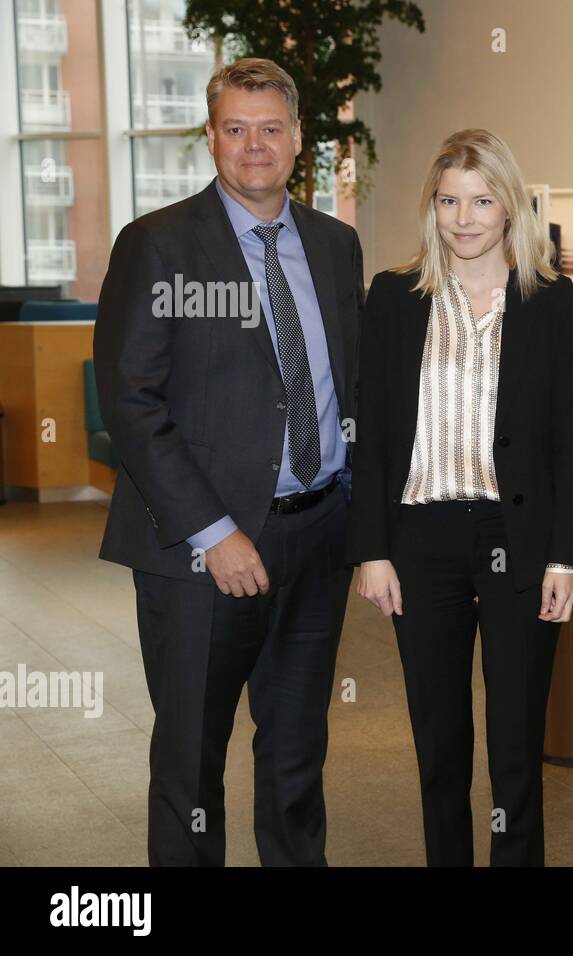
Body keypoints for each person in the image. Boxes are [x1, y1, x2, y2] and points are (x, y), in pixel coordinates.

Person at [94, 58, 364, 866]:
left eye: (271, 128)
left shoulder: (336, 245)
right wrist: (214, 532)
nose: (255, 146)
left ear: (297, 138)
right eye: (237, 129)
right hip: (199, 554)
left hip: (316, 541)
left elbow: (350, 386)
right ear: (211, 137)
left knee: (295, 757)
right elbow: (133, 405)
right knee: (190, 764)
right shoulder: (157, 244)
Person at [346, 128, 573, 867]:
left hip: (517, 539)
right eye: (449, 200)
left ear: (510, 206)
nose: (465, 217)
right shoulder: (394, 298)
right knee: (439, 743)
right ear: (432, 208)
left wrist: (564, 560)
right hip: (421, 541)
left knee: (516, 747)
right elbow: (374, 434)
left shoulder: (549, 301)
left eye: (482, 199)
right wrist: (371, 550)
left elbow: (562, 445)